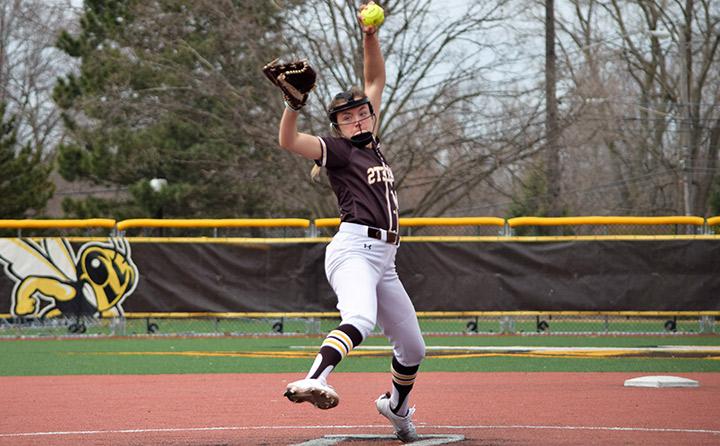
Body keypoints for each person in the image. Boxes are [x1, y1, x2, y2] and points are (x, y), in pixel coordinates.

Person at [273, 2, 426, 443]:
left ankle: (395, 407)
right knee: (359, 316)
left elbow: (374, 79)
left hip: (386, 258)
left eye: (361, 113)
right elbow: (288, 140)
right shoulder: (339, 151)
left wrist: (370, 36)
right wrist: (292, 104)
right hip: (355, 248)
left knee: (414, 347)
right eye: (346, 117)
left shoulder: (370, 140)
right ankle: (316, 378)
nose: (356, 119)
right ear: (337, 126)